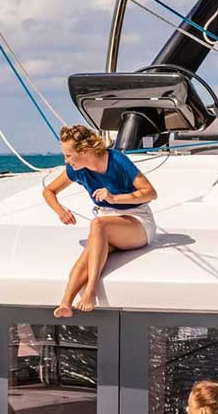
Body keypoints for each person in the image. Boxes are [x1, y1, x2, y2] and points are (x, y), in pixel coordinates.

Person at [41, 124, 159, 318]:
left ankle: (91, 291)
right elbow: (49, 191)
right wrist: (60, 211)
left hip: (137, 220)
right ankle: (65, 303)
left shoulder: (117, 160)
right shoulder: (76, 170)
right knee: (88, 253)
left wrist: (114, 198)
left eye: (69, 155)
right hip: (107, 223)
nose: (66, 160)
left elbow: (150, 193)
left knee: (97, 225)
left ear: (84, 151)